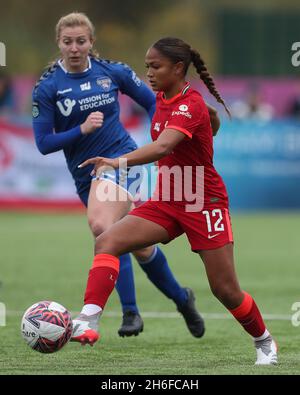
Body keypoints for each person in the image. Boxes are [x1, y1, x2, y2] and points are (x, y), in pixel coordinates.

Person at [78, 37, 277, 365]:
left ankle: (264, 340)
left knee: (225, 290)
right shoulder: (164, 100)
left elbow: (161, 148)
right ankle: (88, 318)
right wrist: (209, 122)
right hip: (168, 199)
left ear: (179, 68)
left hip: (204, 201)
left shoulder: (190, 103)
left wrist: (117, 161)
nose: (149, 73)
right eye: (147, 67)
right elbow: (212, 124)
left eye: (155, 67)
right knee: (108, 240)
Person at [32, 14, 214, 339]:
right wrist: (82, 129)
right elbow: (44, 143)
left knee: (104, 228)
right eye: (68, 42)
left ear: (92, 43)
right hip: (86, 177)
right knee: (140, 248)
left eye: (81, 41)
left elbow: (152, 102)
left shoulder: (111, 72)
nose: (75, 48)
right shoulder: (47, 87)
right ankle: (181, 297)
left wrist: (164, 139)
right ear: (58, 43)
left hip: (120, 162)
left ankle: (129, 313)